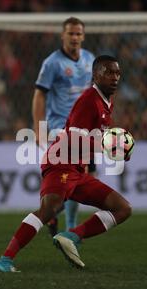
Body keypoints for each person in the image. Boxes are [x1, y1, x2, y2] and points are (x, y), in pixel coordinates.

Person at [0, 55, 132, 272]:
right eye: (109, 72)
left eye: (118, 73)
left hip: (77, 169)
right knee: (49, 209)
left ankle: (71, 236)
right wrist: (108, 148)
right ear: (95, 75)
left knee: (122, 209)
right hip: (61, 163)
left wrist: (117, 149)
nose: (115, 77)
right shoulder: (89, 100)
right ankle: (5, 259)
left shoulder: (106, 101)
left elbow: (97, 137)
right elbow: (75, 139)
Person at [32, 17, 95, 236]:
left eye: (78, 34)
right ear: (63, 35)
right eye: (71, 33)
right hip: (61, 126)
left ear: (83, 36)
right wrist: (39, 127)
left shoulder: (90, 60)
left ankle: (53, 216)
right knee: (77, 177)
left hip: (85, 129)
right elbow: (40, 94)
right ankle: (70, 229)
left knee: (83, 180)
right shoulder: (52, 63)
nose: (75, 37)